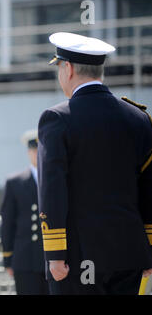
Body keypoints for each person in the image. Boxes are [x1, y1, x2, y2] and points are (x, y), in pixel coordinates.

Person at [37, 32, 152, 295]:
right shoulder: (139, 118)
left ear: (68, 69)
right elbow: (149, 190)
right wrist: (148, 249)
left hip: (77, 257)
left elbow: (52, 189)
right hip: (128, 253)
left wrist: (54, 253)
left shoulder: (57, 118)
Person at [0, 129, 48, 295]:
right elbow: (8, 223)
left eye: (40, 150)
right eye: (34, 151)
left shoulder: (56, 178)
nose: (37, 154)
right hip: (25, 259)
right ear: (29, 152)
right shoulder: (15, 182)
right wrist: (8, 258)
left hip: (52, 258)